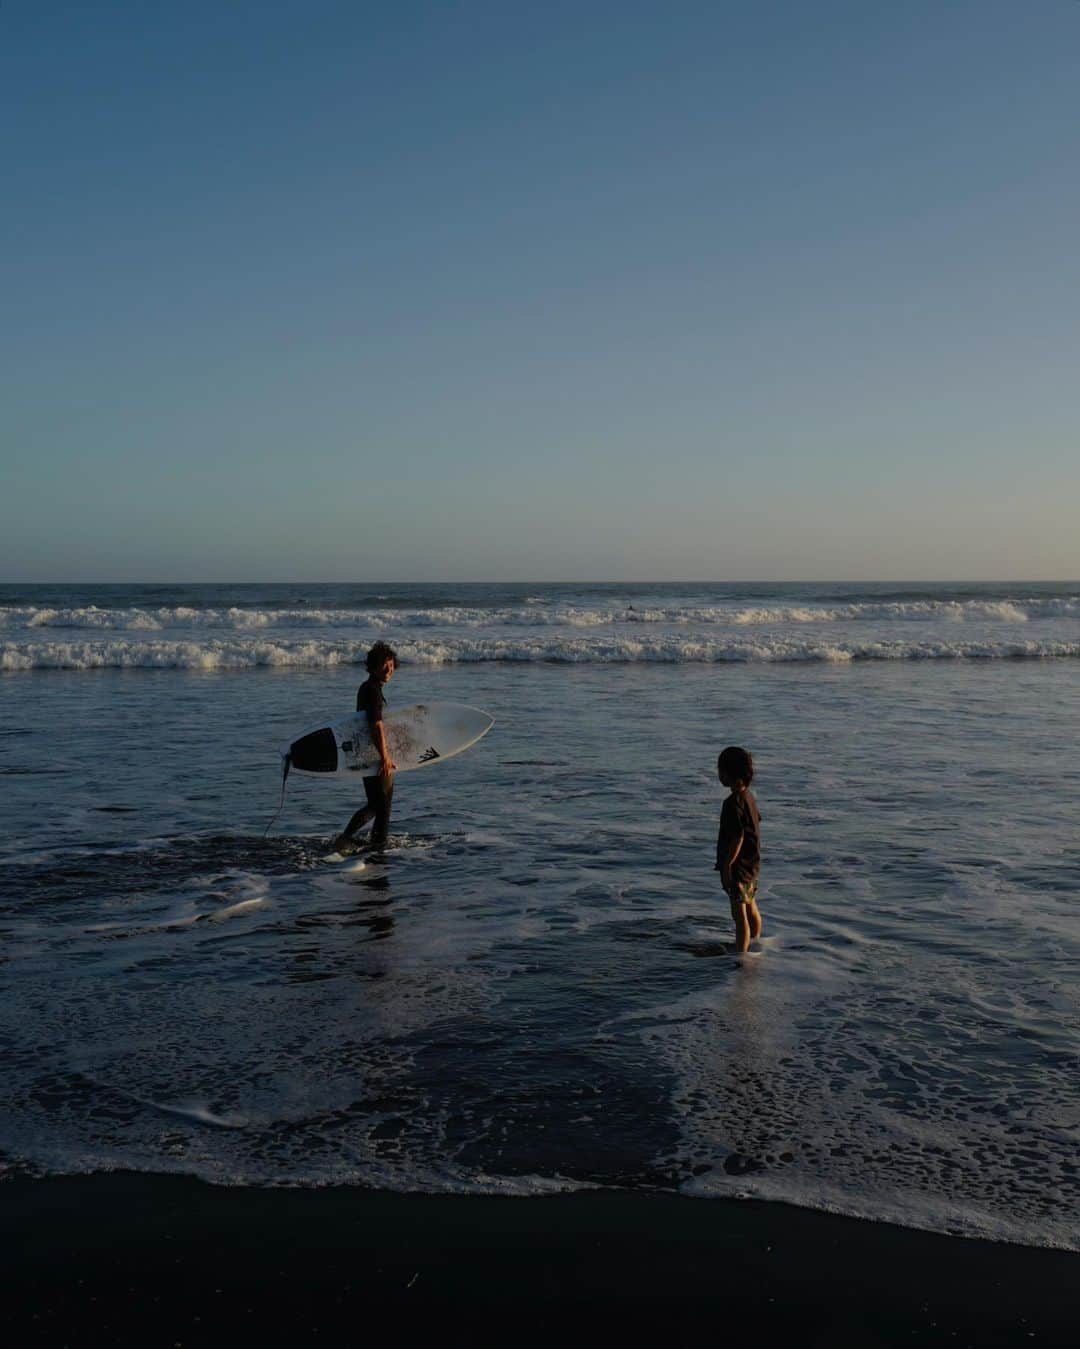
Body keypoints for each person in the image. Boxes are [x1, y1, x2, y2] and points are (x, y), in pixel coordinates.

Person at [330, 641, 398, 854]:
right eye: (384, 666)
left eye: (392, 666)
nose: (389, 670)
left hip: (367, 753)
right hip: (375, 755)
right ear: (373, 667)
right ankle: (361, 841)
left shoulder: (368, 687)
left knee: (376, 803)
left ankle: (370, 841)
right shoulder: (373, 691)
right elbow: (375, 725)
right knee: (382, 806)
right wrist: (385, 757)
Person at [715, 745, 762, 954]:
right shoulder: (749, 798)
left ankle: (741, 956)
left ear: (731, 775)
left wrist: (727, 866)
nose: (719, 775)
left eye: (721, 771)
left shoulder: (732, 803)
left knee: (739, 913)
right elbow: (753, 825)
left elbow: (737, 837)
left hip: (738, 867)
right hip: (752, 864)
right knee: (751, 905)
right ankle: (757, 942)